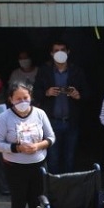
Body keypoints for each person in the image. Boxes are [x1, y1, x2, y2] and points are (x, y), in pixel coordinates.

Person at [0, 82, 56, 208]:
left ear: (31, 97)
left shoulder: (40, 114)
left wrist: (39, 145)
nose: (22, 101)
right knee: (18, 202)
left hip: (38, 164)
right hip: (15, 167)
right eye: (18, 98)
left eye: (25, 98)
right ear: (10, 100)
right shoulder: (4, 118)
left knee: (37, 202)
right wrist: (16, 148)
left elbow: (51, 137)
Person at [34, 41, 89, 174]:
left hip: (71, 122)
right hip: (51, 122)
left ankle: (68, 189)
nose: (60, 52)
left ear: (68, 52)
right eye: (56, 50)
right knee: (53, 158)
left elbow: (88, 93)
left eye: (62, 50)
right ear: (51, 53)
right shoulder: (44, 71)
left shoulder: (77, 71)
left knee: (70, 158)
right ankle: (54, 189)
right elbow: (35, 93)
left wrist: (78, 95)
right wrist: (47, 93)